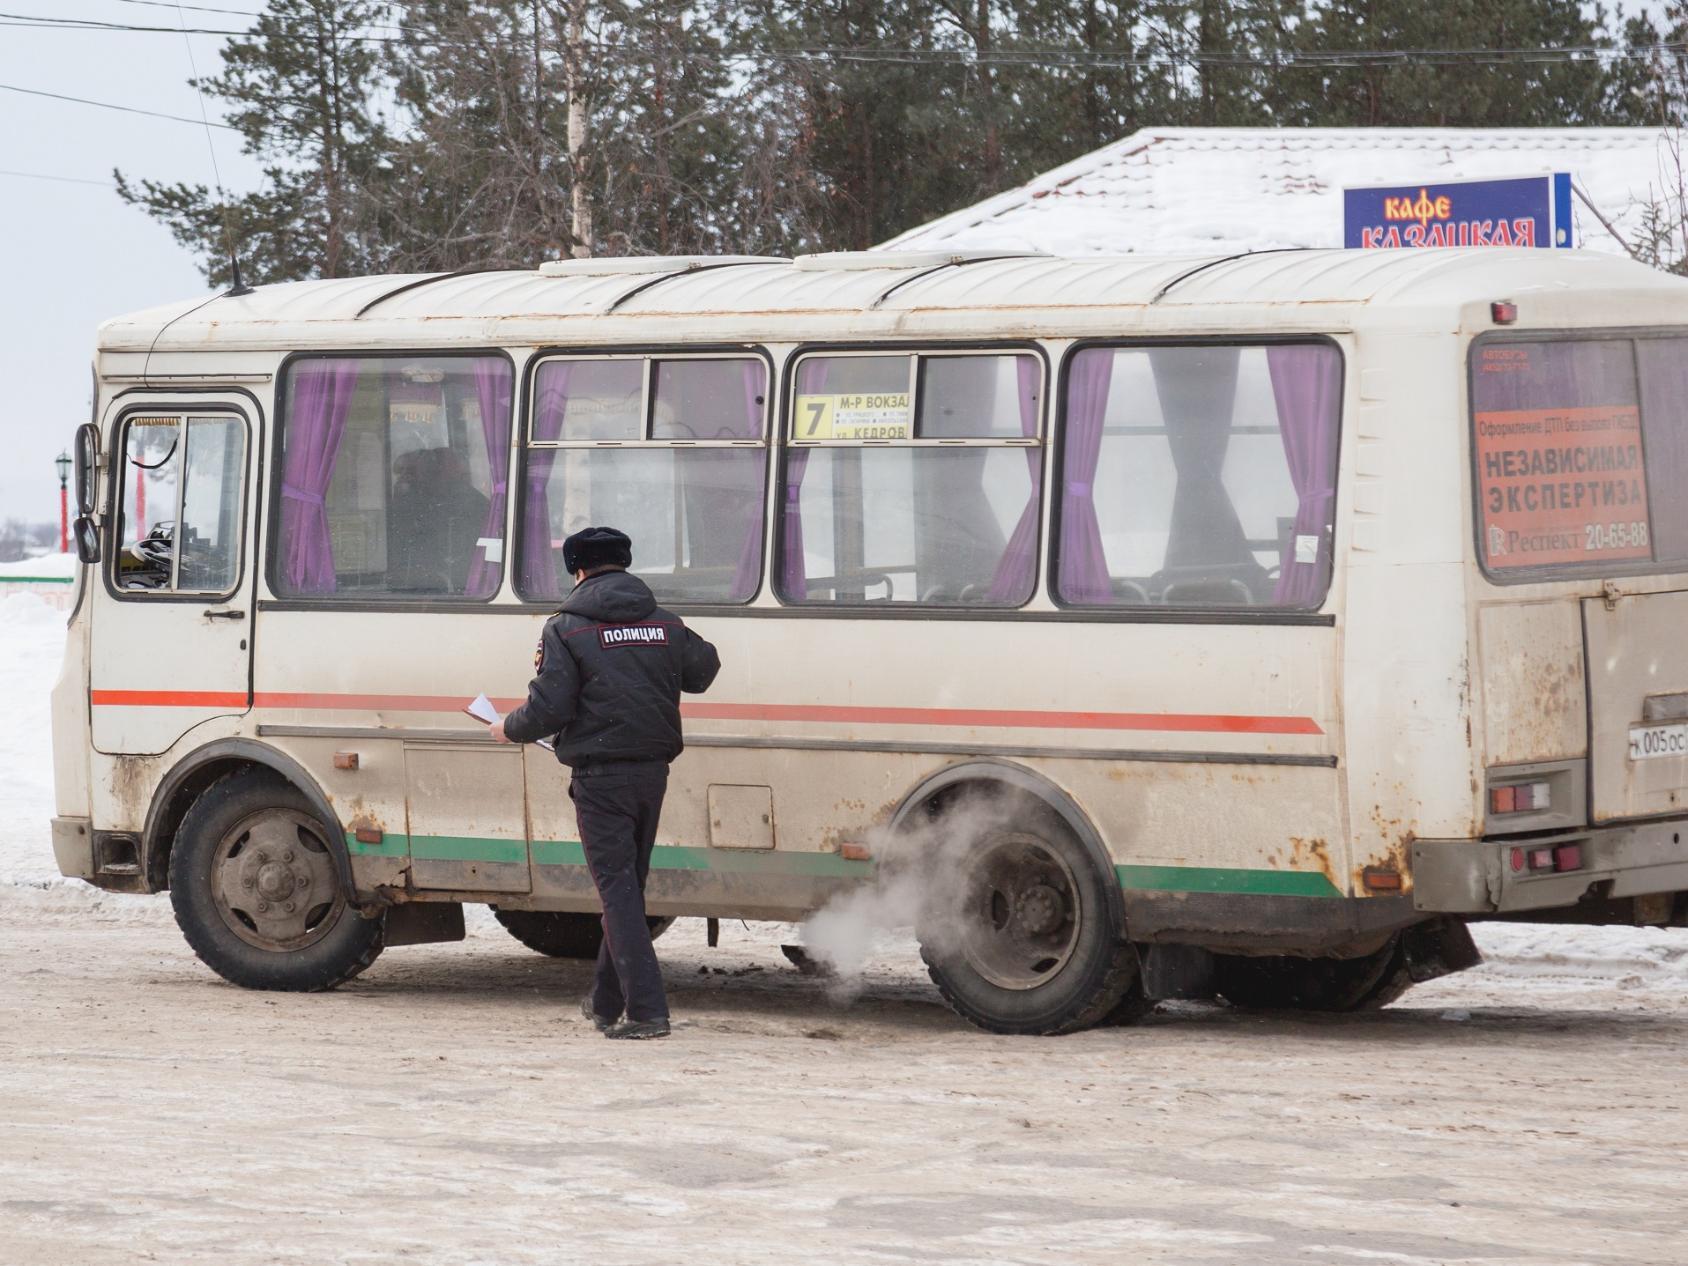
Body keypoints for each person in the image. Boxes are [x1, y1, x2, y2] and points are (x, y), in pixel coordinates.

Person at [492, 526, 721, 1039]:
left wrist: (506, 727)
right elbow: (703, 671)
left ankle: (647, 1012)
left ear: (577, 570)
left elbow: (551, 707)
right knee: (627, 890)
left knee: (617, 894)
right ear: (624, 563)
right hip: (651, 773)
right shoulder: (664, 622)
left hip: (600, 778)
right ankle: (605, 1001)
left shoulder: (566, 628)